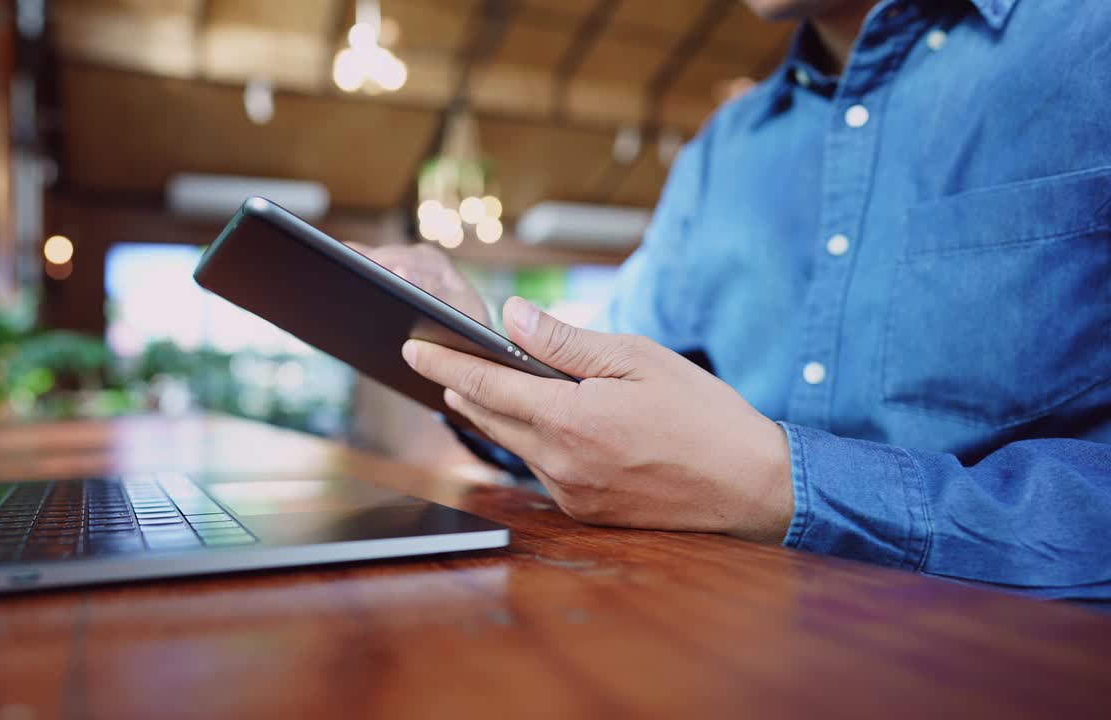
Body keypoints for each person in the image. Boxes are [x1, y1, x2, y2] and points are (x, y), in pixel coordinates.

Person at [354, 0, 1111, 603]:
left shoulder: (1089, 42)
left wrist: (773, 484)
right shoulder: (723, 153)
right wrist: (469, 347)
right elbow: (593, 397)